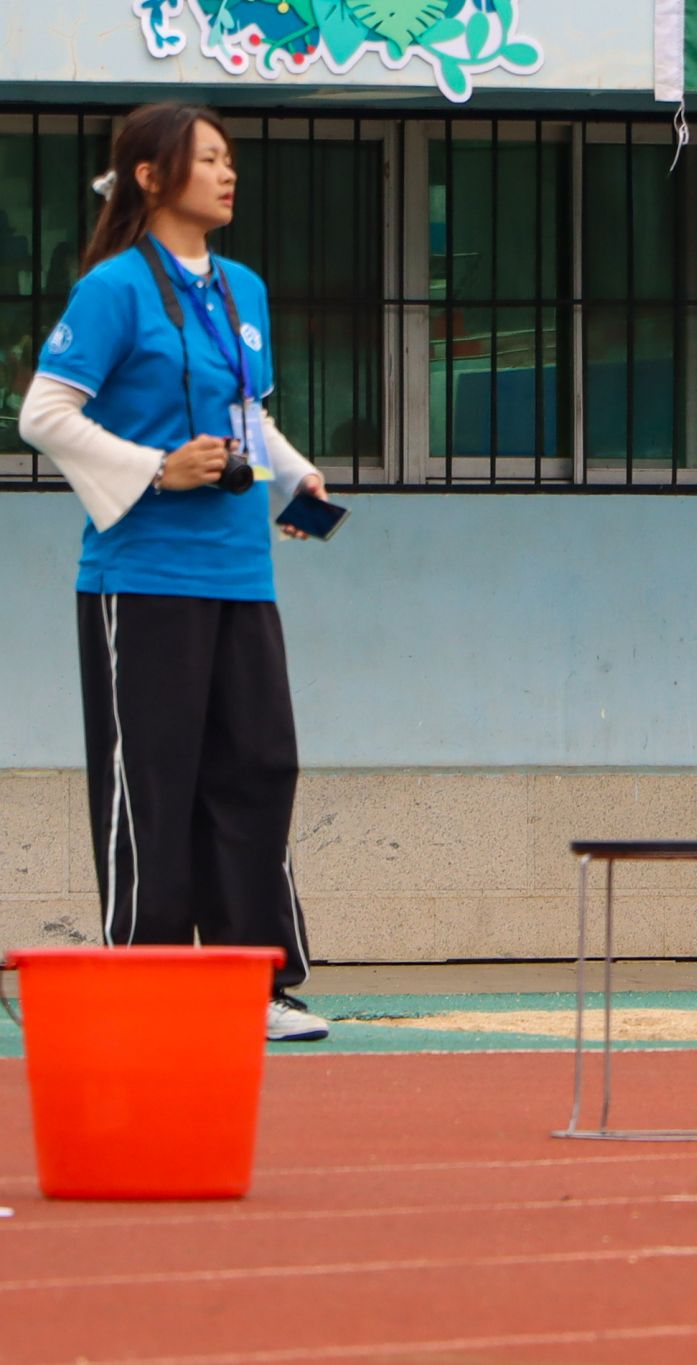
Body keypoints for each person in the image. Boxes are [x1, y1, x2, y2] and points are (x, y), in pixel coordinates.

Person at [18, 103, 334, 1042]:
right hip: (143, 570)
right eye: (208, 160)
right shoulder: (113, 290)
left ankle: (252, 984)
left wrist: (293, 469)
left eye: (230, 159)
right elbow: (44, 413)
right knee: (153, 778)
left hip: (240, 568)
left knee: (258, 765)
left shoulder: (244, 288)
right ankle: (152, 980)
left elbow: (248, 411)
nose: (229, 174)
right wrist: (154, 467)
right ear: (151, 177)